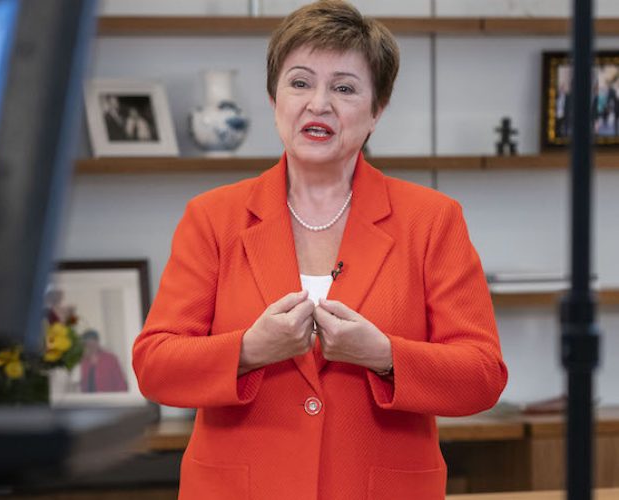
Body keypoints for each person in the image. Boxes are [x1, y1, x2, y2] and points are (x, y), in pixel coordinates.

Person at [131, 2, 508, 499]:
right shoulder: (213, 218)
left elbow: (482, 374)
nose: (319, 104)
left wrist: (384, 355)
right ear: (274, 99)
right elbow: (155, 366)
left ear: (377, 110)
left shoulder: (432, 220)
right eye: (300, 82)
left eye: (345, 88)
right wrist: (247, 351)